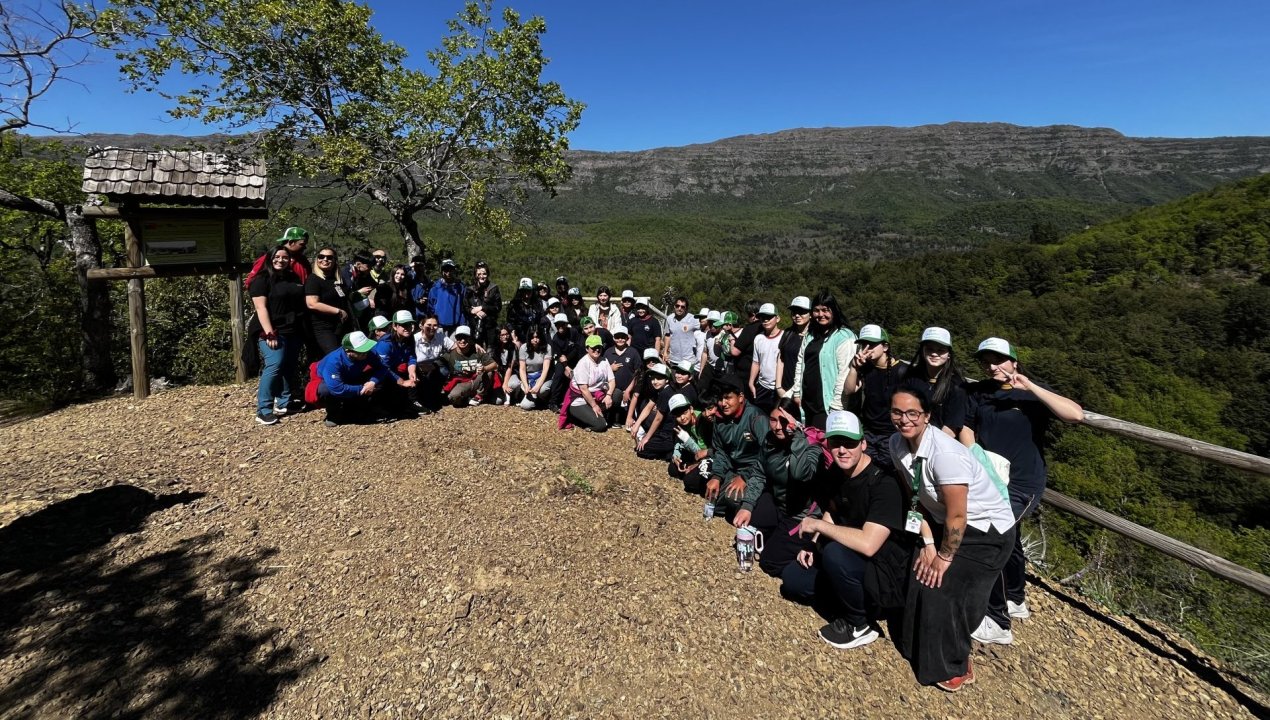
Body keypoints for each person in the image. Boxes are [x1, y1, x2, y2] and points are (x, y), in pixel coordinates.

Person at [889, 386, 1017, 692]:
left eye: (912, 413)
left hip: (986, 531)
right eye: (897, 412)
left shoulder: (945, 454)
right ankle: (915, 646)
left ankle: (954, 662)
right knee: (918, 570)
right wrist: (927, 543)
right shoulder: (897, 444)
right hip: (941, 522)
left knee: (940, 585)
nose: (904, 420)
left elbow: (958, 516)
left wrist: (944, 557)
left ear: (927, 416)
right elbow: (913, 498)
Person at [965, 337, 1083, 645]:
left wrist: (1030, 386)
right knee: (1010, 537)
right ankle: (1015, 598)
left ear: (1014, 361)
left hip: (1021, 483)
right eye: (987, 361)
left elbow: (1075, 414)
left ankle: (997, 621)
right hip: (989, 479)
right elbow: (967, 427)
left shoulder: (1033, 392)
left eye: (999, 359)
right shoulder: (980, 392)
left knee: (991, 537)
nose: (993, 366)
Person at [785, 410, 911, 651]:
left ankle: (860, 623)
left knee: (834, 553)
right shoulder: (836, 473)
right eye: (836, 443)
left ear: (863, 444)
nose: (842, 450)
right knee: (793, 579)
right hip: (850, 557)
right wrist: (814, 543)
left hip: (882, 569)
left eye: (850, 443)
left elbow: (869, 544)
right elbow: (833, 511)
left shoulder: (883, 483)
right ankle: (849, 598)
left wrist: (818, 526)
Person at [747, 399, 822, 579]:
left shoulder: (811, 447)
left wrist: (797, 436)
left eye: (784, 421)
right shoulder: (770, 440)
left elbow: (800, 474)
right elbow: (759, 473)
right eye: (773, 420)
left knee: (768, 562)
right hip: (779, 505)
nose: (778, 427)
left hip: (801, 516)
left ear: (794, 421)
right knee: (748, 528)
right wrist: (746, 505)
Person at [249, 246, 307, 424]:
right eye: (277, 257)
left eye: (285, 257)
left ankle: (284, 402)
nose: (281, 260)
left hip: (292, 329)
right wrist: (269, 334)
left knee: (288, 365)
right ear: (269, 258)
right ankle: (263, 409)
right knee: (274, 365)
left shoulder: (292, 277)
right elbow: (261, 308)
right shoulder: (261, 280)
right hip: (271, 330)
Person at [704, 377, 769, 527]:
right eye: (720, 399)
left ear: (740, 397)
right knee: (708, 489)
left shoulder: (756, 418)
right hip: (733, 469)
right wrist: (717, 476)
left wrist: (745, 477)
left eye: (728, 398)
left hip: (754, 473)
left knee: (733, 498)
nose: (723, 403)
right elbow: (720, 451)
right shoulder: (720, 418)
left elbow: (767, 457)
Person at [845, 324, 910, 472]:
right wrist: (854, 367)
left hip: (892, 434)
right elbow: (849, 390)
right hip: (868, 431)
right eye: (864, 345)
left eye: (872, 344)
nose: (867, 348)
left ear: (885, 347)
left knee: (889, 473)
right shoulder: (865, 367)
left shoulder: (902, 370)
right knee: (869, 471)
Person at [792, 290, 856, 430]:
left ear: (834, 311)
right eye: (816, 310)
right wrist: (797, 392)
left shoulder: (844, 337)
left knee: (823, 441)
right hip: (808, 403)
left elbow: (844, 373)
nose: (820, 315)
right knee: (809, 439)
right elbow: (800, 363)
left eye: (825, 310)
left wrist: (836, 406)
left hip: (828, 407)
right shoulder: (811, 335)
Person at [314, 331, 402, 427]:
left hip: (353, 376)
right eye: (361, 351)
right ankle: (333, 412)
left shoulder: (368, 352)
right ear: (348, 351)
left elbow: (382, 367)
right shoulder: (333, 361)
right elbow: (337, 388)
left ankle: (362, 407)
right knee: (326, 390)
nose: (365, 353)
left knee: (380, 381)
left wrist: (372, 382)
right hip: (329, 380)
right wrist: (362, 389)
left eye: (366, 348)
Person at [904, 327, 969, 439]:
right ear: (922, 351)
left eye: (941, 350)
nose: (934, 354)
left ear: (949, 354)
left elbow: (951, 428)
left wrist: (926, 444)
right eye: (930, 349)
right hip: (909, 437)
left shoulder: (957, 386)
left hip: (938, 443)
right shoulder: (911, 377)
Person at [371, 310, 419, 417]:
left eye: (409, 324)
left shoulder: (409, 338)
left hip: (393, 369)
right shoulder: (385, 343)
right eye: (403, 325)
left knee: (416, 373)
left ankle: (411, 402)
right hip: (379, 372)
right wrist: (402, 382)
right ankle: (376, 406)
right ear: (394, 326)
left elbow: (411, 356)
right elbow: (383, 367)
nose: (407, 327)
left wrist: (412, 371)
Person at [305, 247, 352, 356]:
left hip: (340, 327)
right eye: (321, 257)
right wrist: (338, 311)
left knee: (346, 356)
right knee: (335, 356)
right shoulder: (313, 279)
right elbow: (312, 303)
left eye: (329, 257)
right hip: (323, 328)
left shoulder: (338, 280)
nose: (325, 259)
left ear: (335, 260)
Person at [564, 334, 616, 432]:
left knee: (617, 394)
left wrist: (609, 395)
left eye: (599, 347)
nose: (597, 350)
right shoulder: (583, 363)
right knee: (601, 426)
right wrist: (594, 406)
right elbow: (584, 389)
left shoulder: (604, 360)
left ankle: (602, 416)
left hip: (597, 395)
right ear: (587, 349)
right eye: (593, 347)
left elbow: (612, 380)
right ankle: (580, 418)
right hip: (580, 399)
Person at [438, 325, 497, 407]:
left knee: (489, 372)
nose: (462, 340)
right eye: (459, 338)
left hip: (477, 379)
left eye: (465, 337)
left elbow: (494, 365)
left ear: (470, 338)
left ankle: (480, 396)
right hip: (462, 382)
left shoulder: (477, 350)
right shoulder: (450, 354)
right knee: (453, 398)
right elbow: (437, 364)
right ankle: (468, 397)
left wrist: (484, 368)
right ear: (456, 339)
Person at [629, 363, 676, 460]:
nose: (655, 382)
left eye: (659, 379)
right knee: (641, 446)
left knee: (642, 450)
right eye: (653, 379)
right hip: (662, 430)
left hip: (668, 433)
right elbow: (648, 407)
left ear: (667, 379)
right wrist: (637, 424)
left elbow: (658, 418)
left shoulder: (665, 393)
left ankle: (669, 452)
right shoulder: (659, 390)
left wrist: (646, 438)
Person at [668, 393, 713, 491]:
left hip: (709, 455)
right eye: (678, 415)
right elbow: (678, 442)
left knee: (690, 481)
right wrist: (676, 456)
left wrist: (687, 440)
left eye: (685, 413)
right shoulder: (680, 424)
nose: (682, 418)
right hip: (694, 454)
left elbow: (702, 452)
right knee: (673, 468)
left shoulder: (702, 421)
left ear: (691, 409)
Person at [412, 316, 455, 414]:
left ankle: (434, 395)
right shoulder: (414, 339)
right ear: (421, 326)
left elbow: (455, 347)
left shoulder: (440, 336)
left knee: (444, 370)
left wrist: (474, 345)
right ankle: (420, 399)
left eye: (435, 325)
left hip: (433, 366)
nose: (432, 328)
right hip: (416, 367)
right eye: (429, 325)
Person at [245, 226, 311, 288]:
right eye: (302, 244)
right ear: (291, 242)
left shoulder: (303, 260)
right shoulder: (267, 258)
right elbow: (250, 283)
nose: (305, 247)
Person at [775, 295, 812, 404]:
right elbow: (781, 359)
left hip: (804, 391)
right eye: (794, 312)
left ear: (811, 314)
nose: (797, 315)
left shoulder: (814, 336)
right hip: (784, 389)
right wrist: (778, 387)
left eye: (802, 312)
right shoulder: (788, 333)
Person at [748, 302, 785, 413]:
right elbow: (756, 362)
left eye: (769, 317)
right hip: (762, 387)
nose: (765, 320)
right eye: (762, 317)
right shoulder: (758, 338)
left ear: (777, 318)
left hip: (780, 388)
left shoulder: (785, 337)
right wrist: (751, 382)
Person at [507, 325, 554, 410]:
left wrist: (538, 386)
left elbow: (545, 369)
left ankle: (542, 399)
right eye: (533, 337)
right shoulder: (523, 348)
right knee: (525, 406)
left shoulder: (547, 347)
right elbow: (522, 369)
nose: (535, 340)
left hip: (541, 376)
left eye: (537, 337)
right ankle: (526, 396)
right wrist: (526, 386)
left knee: (542, 390)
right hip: (528, 376)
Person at [604, 326, 639, 427]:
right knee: (616, 396)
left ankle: (624, 418)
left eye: (623, 337)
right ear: (613, 338)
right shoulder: (608, 352)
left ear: (627, 338)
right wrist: (610, 368)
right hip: (612, 389)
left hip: (629, 389)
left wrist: (628, 390)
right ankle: (612, 419)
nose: (620, 339)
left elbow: (638, 373)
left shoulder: (633, 352)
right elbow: (601, 371)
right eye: (617, 337)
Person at [465, 260, 503, 348]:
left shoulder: (493, 288)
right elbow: (465, 306)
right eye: (479, 274)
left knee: (491, 351)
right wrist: (472, 311)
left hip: (490, 327)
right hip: (474, 327)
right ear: (475, 275)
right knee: (476, 351)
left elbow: (498, 307)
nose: (481, 276)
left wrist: (483, 308)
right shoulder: (470, 290)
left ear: (488, 274)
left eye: (484, 274)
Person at [728, 300, 763, 392]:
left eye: (748, 314)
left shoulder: (749, 329)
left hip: (745, 373)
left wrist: (732, 340)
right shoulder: (766, 328)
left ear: (753, 315)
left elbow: (735, 352)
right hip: (761, 374)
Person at [428, 259, 467, 334]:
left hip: (456, 326)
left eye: (451, 270)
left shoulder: (460, 287)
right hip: (439, 326)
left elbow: (464, 306)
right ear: (442, 271)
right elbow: (430, 307)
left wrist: (462, 323)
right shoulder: (435, 288)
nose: (448, 272)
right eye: (446, 270)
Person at [662, 296, 698, 368]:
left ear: (686, 308)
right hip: (674, 359)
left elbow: (704, 329)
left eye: (682, 307)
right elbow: (667, 335)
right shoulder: (670, 318)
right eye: (677, 306)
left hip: (689, 360)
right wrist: (665, 352)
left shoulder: (693, 319)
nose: (679, 308)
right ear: (674, 306)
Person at [507, 277, 542, 343]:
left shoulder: (537, 305)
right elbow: (510, 324)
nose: (526, 294)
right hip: (519, 339)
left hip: (535, 338)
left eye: (528, 290)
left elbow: (540, 321)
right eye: (524, 290)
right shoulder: (514, 306)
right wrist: (514, 338)